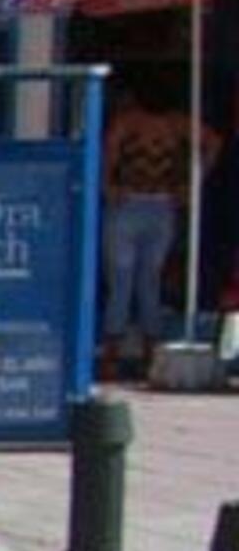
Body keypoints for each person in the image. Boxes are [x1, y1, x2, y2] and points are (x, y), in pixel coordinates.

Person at [101, 76, 218, 371]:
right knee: (137, 280)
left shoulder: (151, 122)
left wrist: (193, 182)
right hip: (142, 203)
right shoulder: (157, 123)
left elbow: (213, 142)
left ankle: (126, 354)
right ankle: (129, 353)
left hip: (147, 203)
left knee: (130, 279)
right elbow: (107, 153)